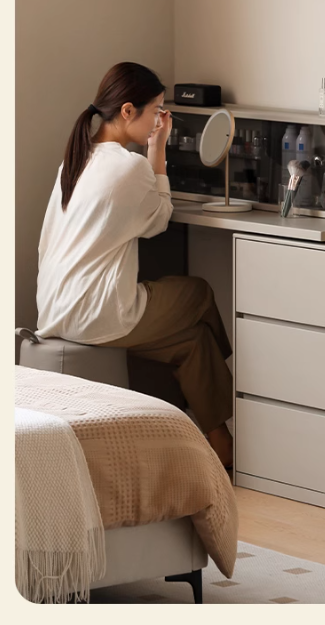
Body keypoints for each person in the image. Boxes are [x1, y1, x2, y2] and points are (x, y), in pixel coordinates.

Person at [36, 62, 234, 468]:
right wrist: (157, 151)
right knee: (198, 292)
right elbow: (160, 219)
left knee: (193, 341)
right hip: (99, 313)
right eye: (156, 111)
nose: (160, 120)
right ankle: (242, 383)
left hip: (55, 309)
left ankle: (221, 444)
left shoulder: (75, 162)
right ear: (128, 111)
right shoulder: (127, 166)